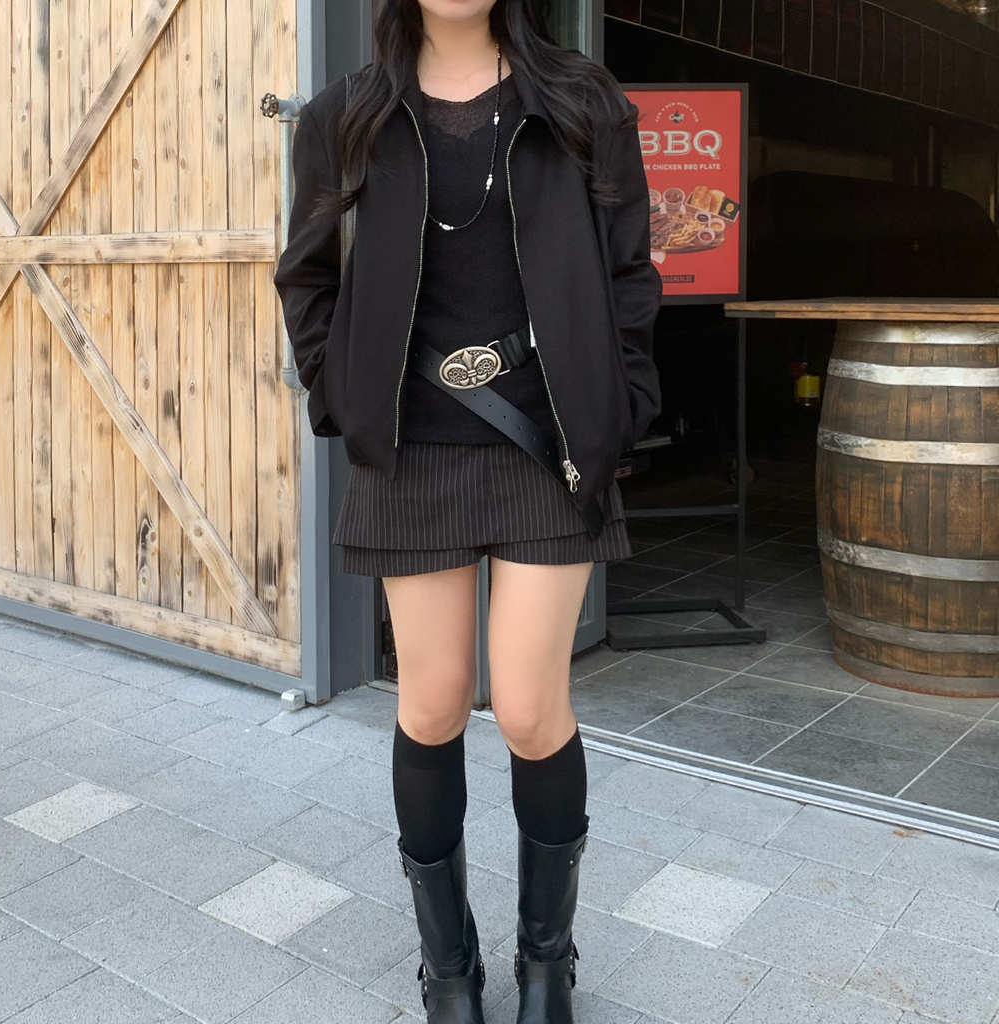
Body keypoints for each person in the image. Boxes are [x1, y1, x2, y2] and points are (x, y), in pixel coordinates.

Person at [274, 1, 662, 1020]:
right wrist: (342, 394)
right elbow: (305, 275)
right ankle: (448, 967)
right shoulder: (346, 114)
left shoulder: (580, 102)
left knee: (530, 709)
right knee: (434, 702)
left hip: (547, 444)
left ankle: (545, 961)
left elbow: (630, 271)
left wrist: (621, 405)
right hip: (412, 446)